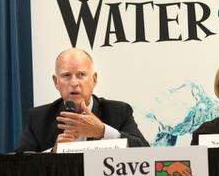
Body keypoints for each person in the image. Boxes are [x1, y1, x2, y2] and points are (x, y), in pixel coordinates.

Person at [14, 48, 149, 152]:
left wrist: (103, 131)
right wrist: (53, 153)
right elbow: (18, 166)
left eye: (81, 75)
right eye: (66, 75)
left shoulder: (118, 112)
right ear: (56, 82)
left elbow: (146, 153)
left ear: (94, 79)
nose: (74, 82)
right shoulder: (38, 118)